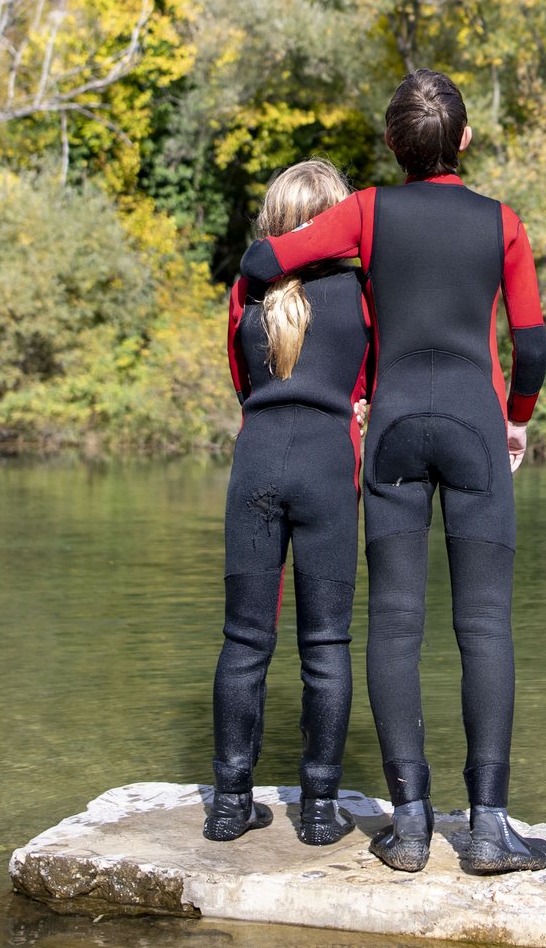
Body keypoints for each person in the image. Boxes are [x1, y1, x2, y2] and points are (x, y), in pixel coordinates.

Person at [239, 70, 546, 876]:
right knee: (483, 624)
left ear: (390, 144)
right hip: (477, 432)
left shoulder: (368, 211)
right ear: (468, 141)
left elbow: (266, 256)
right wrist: (515, 417)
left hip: (395, 432)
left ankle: (408, 824)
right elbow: (534, 344)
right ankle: (488, 827)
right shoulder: (502, 222)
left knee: (397, 625)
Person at [207, 159, 370, 846]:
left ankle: (228, 802)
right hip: (329, 463)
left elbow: (241, 383)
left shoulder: (246, 289)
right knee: (326, 642)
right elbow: (370, 378)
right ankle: (321, 807)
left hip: (257, 461)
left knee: (245, 641)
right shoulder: (363, 292)